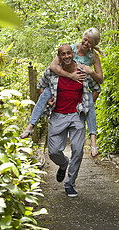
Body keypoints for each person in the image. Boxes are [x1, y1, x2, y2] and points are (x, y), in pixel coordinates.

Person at [20, 28, 104, 157]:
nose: (86, 43)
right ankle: (31, 126)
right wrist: (71, 76)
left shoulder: (93, 57)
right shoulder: (70, 49)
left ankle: (93, 141)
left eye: (90, 42)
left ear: (94, 44)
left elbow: (100, 80)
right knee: (44, 95)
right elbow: (52, 67)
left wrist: (90, 71)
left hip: (78, 89)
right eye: (85, 39)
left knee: (89, 103)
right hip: (59, 85)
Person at [36, 44, 101, 197]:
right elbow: (40, 87)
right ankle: (63, 164)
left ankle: (70, 184)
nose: (66, 57)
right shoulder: (52, 72)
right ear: (59, 56)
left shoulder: (82, 71)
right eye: (62, 54)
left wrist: (86, 103)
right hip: (58, 115)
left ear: (73, 54)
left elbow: (96, 88)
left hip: (76, 116)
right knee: (53, 152)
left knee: (78, 151)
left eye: (68, 53)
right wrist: (47, 100)